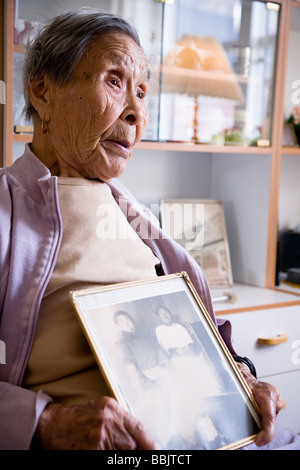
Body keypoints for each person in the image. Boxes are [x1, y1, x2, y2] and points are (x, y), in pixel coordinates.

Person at [0, 8, 299, 451]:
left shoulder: (133, 215)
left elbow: (212, 336)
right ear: (42, 90)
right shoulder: (7, 207)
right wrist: (47, 422)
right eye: (115, 81)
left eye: (142, 91)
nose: (137, 112)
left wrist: (243, 379)